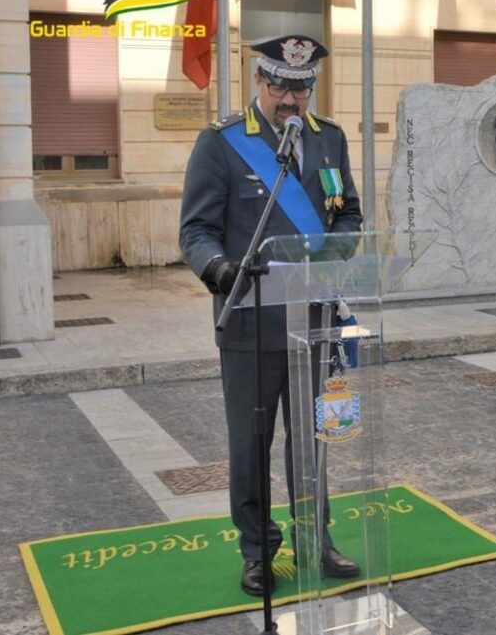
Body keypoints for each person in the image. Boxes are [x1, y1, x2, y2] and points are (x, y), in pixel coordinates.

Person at [179, 34, 363, 596]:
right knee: (251, 443)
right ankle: (258, 549)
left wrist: (339, 250)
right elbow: (197, 231)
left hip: (316, 321)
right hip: (251, 322)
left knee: (317, 439)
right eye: (280, 85)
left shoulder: (328, 140)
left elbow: (348, 213)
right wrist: (221, 270)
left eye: (301, 89)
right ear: (258, 80)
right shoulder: (223, 144)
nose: (290, 100)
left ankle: (316, 536)